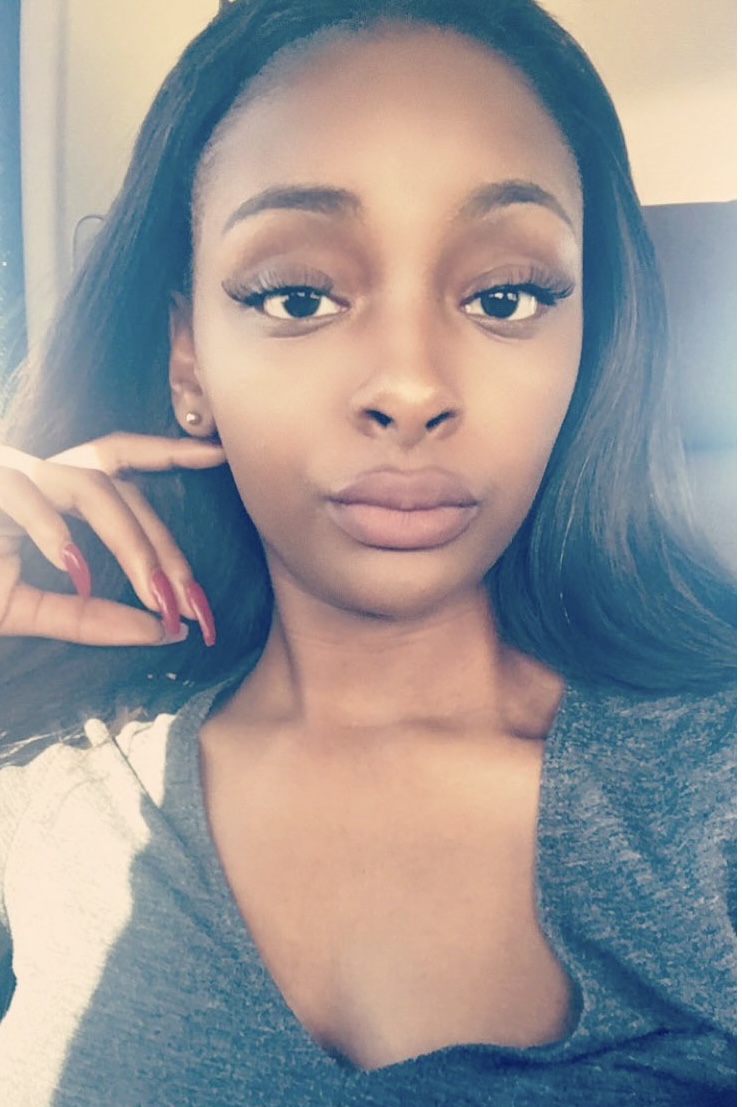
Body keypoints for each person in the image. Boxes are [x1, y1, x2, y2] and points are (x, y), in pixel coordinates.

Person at [0, 0, 735, 1103]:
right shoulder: (61, 775)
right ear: (189, 362)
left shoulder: (712, 784)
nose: (410, 385)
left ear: (587, 343)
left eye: (506, 297)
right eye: (297, 296)